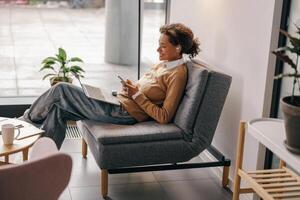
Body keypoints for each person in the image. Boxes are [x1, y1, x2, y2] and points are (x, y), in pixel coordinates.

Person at [22, 23, 200, 149]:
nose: (157, 50)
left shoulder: (178, 74)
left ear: (178, 48)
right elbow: (144, 90)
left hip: (124, 113)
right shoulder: (164, 64)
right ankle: (45, 162)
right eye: (158, 45)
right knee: (57, 109)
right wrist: (129, 88)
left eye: (162, 46)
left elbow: (164, 117)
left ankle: (25, 122)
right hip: (117, 103)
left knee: (61, 88)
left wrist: (136, 95)